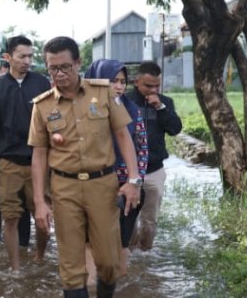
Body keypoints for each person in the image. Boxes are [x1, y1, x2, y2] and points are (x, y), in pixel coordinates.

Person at [30, 37, 142, 298]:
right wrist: (39, 202)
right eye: (53, 69)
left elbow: (124, 137)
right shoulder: (43, 105)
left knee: (109, 262)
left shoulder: (103, 93)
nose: (59, 74)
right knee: (71, 266)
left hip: (103, 185)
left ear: (78, 63)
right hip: (64, 187)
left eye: (65, 67)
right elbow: (38, 154)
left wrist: (133, 180)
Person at [0, 35, 51, 271]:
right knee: (10, 217)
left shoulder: (42, 84)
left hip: (38, 161)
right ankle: (15, 268)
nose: (27, 61)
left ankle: (40, 257)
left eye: (30, 56)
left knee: (42, 216)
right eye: (22, 56)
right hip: (8, 163)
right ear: (8, 57)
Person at [83, 59, 149, 284]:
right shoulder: (84, 109)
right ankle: (92, 287)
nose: (119, 86)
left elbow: (141, 147)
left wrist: (136, 182)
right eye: (113, 81)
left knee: (121, 241)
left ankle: (122, 286)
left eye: (122, 81)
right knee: (89, 240)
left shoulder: (131, 109)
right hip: (93, 184)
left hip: (126, 186)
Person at [125, 61, 182, 251]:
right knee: (127, 219)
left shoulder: (165, 102)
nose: (153, 90)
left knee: (150, 220)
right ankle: (129, 256)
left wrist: (161, 107)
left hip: (154, 169)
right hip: (127, 171)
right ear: (136, 82)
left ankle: (146, 258)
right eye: (148, 86)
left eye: (157, 85)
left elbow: (175, 129)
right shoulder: (125, 102)